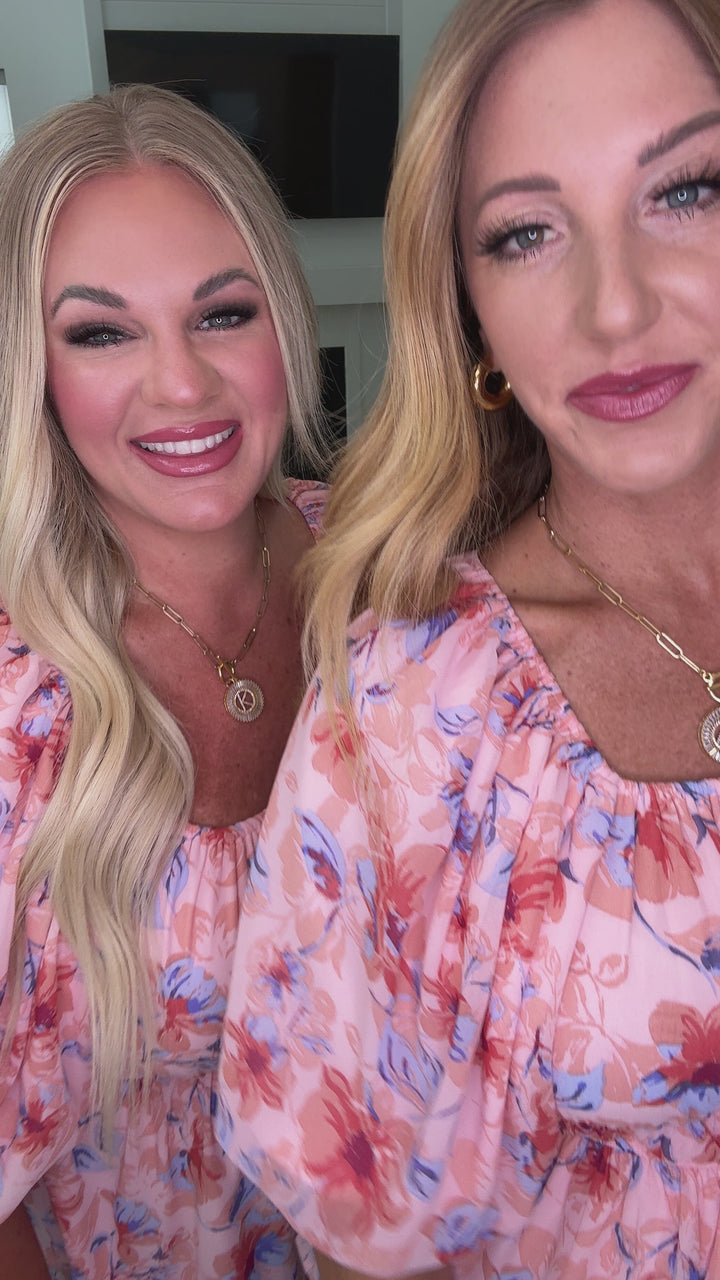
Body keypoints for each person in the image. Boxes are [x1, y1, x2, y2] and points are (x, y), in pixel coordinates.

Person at [215, 0, 720, 1275]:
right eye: (525, 232)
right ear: (470, 312)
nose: (616, 308)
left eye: (687, 189)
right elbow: (360, 1227)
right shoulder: (406, 711)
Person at [0, 84, 329, 1278]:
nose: (182, 386)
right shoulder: (18, 696)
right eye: (102, 332)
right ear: (33, 368)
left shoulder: (401, 590)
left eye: (222, 313)